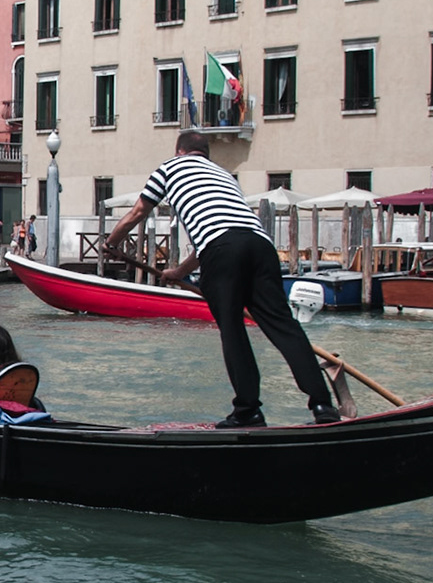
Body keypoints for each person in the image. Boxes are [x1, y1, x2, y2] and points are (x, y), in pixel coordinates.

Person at [105, 130, 339, 428]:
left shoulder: (169, 168)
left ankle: (248, 411)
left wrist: (111, 242)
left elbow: (139, 211)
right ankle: (322, 406)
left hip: (223, 251)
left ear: (180, 151)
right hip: (260, 247)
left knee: (233, 330)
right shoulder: (226, 176)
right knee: (285, 328)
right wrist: (178, 272)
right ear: (206, 154)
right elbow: (221, 232)